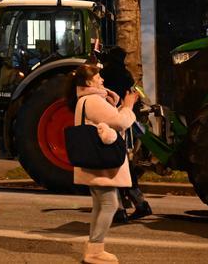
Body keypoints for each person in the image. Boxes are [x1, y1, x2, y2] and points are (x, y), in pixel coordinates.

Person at [69, 62, 138, 264]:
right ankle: (94, 251)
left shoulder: (86, 99)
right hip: (100, 163)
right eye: (99, 77)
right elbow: (119, 122)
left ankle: (94, 247)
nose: (102, 79)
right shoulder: (92, 100)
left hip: (93, 161)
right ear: (90, 81)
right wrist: (129, 107)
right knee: (110, 204)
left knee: (101, 205)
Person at [100, 46, 153, 221]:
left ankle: (119, 209)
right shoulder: (126, 74)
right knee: (123, 163)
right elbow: (135, 92)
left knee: (113, 165)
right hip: (128, 122)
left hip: (115, 123)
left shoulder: (107, 74)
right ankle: (138, 203)